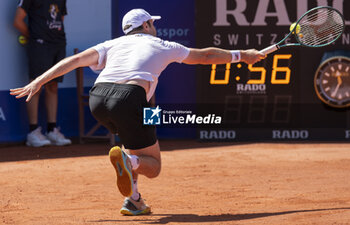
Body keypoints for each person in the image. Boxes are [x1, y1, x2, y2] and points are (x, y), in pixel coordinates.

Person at [10, 8, 265, 215]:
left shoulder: (111, 44)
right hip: (130, 99)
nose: (155, 27)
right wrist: (243, 55)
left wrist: (39, 80)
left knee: (133, 143)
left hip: (98, 99)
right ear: (146, 27)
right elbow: (206, 56)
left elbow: (73, 61)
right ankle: (129, 162)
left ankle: (133, 201)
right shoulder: (161, 44)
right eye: (152, 23)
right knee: (153, 166)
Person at [13, 0, 71, 147]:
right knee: (35, 85)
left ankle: (52, 130)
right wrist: (34, 37)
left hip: (58, 44)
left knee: (53, 86)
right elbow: (17, 21)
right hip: (39, 45)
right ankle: (33, 132)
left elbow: (60, 19)